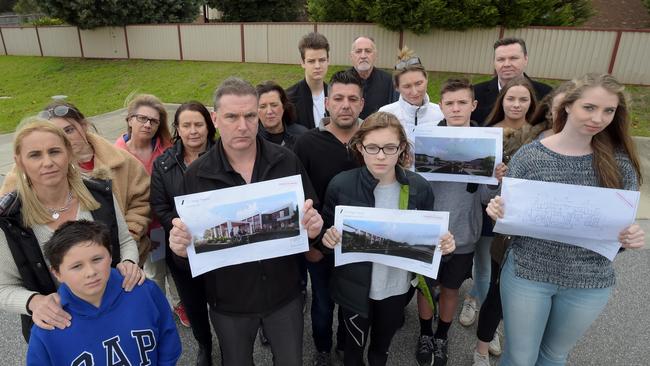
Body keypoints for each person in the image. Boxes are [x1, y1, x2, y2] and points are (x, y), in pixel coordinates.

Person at [488, 73, 645, 365]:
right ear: (568, 106)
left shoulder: (621, 164)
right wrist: (497, 210)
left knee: (554, 356)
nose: (598, 118)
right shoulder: (530, 157)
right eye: (590, 107)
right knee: (520, 357)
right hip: (528, 272)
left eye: (608, 110)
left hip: (589, 280)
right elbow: (508, 214)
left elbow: (617, 233)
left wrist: (629, 237)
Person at [167, 77, 324, 366]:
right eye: (231, 116)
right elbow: (189, 254)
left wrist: (314, 229)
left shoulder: (286, 162)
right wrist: (179, 250)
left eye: (250, 115)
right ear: (215, 119)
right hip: (229, 303)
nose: (242, 125)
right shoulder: (196, 176)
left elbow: (311, 224)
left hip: (285, 295)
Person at [321, 112, 456, 366]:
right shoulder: (341, 185)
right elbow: (326, 237)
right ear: (360, 147)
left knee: (380, 350)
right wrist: (327, 239)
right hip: (354, 288)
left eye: (390, 147)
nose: (381, 155)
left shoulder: (419, 188)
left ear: (401, 147)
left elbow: (431, 242)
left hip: (396, 288)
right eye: (372, 147)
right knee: (353, 351)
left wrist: (445, 248)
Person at [0, 120, 144, 342]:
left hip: (114, 313)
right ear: (19, 162)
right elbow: (3, 287)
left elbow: (124, 242)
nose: (47, 162)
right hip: (59, 330)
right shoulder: (9, 218)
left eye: (55, 151)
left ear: (68, 153)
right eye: (35, 155)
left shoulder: (99, 195)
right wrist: (33, 301)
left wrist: (130, 263)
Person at [413, 78, 505, 366]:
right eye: (450, 103)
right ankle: (425, 333)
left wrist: (496, 179)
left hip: (464, 232)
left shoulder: (486, 143)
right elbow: (415, 187)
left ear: (473, 105)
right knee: (426, 287)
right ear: (441, 106)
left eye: (462, 102)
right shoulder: (425, 139)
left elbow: (486, 200)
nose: (455, 108)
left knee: (451, 289)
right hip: (428, 232)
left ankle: (442, 335)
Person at [0, 101, 152, 264]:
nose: (48, 162)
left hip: (120, 260)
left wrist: (127, 235)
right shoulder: (17, 181)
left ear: (84, 126)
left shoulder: (120, 163)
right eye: (35, 155)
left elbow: (141, 201)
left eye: (69, 130)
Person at [26, 220, 181, 366]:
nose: (91, 272)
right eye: (77, 266)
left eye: (97, 259)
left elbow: (168, 338)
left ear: (111, 255)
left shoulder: (144, 290)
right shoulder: (48, 326)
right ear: (57, 273)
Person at [293, 70, 365, 366]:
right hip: (319, 246)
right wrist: (307, 245)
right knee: (322, 304)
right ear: (327, 103)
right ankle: (322, 349)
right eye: (338, 98)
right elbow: (298, 199)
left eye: (352, 99)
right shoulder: (307, 143)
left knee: (353, 305)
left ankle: (347, 347)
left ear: (362, 103)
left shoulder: (372, 139)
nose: (345, 105)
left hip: (360, 245)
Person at [471, 76, 538, 365]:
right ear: (502, 101)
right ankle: (477, 302)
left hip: (522, 215)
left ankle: (491, 324)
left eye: (523, 99)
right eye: (511, 98)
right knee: (485, 264)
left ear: (531, 103)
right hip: (488, 209)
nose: (516, 104)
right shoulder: (488, 132)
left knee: (505, 275)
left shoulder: (539, 135)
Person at [150, 101, 217, 366]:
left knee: (226, 299)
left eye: (198, 124)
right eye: (186, 125)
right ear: (177, 128)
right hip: (183, 248)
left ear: (208, 126)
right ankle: (205, 346)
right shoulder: (163, 164)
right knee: (193, 301)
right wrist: (180, 225)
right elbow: (159, 205)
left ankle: (234, 339)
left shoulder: (226, 155)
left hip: (221, 242)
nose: (193, 131)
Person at [113, 94, 185, 324]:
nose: (147, 124)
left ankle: (179, 304)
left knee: (175, 269)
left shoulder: (166, 148)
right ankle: (157, 309)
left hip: (166, 222)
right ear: (129, 119)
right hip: (140, 226)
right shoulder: (115, 153)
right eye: (142, 118)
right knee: (154, 272)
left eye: (153, 121)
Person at [472, 37, 552, 126]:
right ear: (494, 62)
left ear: (526, 59)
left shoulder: (547, 94)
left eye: (513, 58)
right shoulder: (475, 93)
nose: (507, 64)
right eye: (501, 59)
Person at [378, 47, 444, 144]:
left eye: (418, 83)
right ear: (397, 87)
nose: (414, 92)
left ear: (427, 80)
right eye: (407, 86)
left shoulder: (441, 113)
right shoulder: (385, 114)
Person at [287, 32, 330, 129]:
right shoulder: (289, 99)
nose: (317, 66)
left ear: (328, 61)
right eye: (311, 61)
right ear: (302, 62)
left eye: (322, 60)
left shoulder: (337, 96)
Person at [348, 36, 398, 119]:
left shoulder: (389, 81)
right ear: (351, 56)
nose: (363, 56)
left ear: (375, 55)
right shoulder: (341, 81)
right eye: (358, 51)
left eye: (368, 51)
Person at [257, 81, 308, 149]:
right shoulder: (251, 139)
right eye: (263, 106)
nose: (269, 111)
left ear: (284, 106)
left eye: (274, 105)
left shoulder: (302, 136)